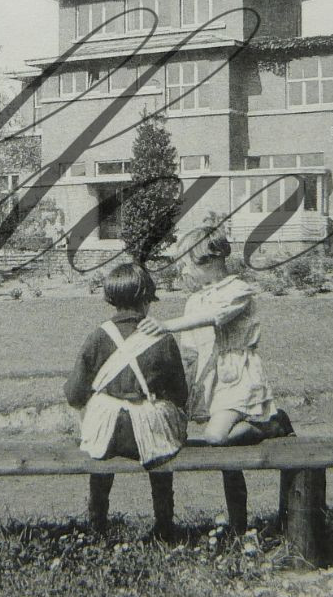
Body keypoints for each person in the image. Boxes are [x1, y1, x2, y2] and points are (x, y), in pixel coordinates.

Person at [138, 231, 292, 532]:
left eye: (188, 264)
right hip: (211, 376)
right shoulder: (195, 300)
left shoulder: (237, 290)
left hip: (237, 373)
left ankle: (272, 422)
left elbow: (214, 316)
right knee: (226, 457)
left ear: (213, 260)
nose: (184, 271)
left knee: (216, 437)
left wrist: (165, 325)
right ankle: (238, 524)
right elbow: (192, 350)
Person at [64, 261, 189, 540]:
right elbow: (180, 393)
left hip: (108, 434)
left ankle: (97, 524)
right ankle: (164, 525)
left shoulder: (98, 336)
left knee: (100, 455)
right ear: (147, 299)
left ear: (111, 298)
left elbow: (74, 394)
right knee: (161, 454)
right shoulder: (162, 338)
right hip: (148, 432)